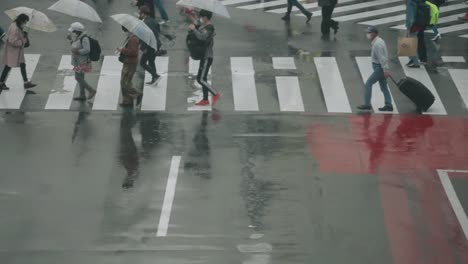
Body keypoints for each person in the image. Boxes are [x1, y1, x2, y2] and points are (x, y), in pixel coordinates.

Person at [188, 10, 221, 106]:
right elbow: (198, 26)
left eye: (202, 17)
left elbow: (202, 37)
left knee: (200, 79)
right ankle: (205, 99)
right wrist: (193, 18)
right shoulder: (206, 26)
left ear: (206, 17)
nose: (201, 19)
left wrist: (194, 29)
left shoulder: (209, 27)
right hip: (204, 56)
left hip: (207, 56)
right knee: (203, 78)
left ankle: (215, 94)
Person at [357, 27, 393, 112]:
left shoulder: (377, 44)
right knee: (384, 87)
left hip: (379, 68)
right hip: (380, 67)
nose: (368, 34)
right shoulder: (379, 41)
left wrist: (385, 70)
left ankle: (367, 104)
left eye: (369, 33)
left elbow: (382, 58)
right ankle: (388, 104)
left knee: (368, 84)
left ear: (374, 33)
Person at [0, 14, 36, 91]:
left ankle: (26, 83)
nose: (25, 23)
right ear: (21, 20)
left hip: (17, 52)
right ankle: (1, 82)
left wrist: (23, 33)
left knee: (22, 65)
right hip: (13, 51)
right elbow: (13, 41)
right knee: (8, 66)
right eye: (25, 22)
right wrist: (23, 40)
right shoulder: (15, 28)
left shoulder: (16, 25)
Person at [67, 22, 96, 101]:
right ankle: (82, 95)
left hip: (82, 62)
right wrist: (71, 40)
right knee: (81, 77)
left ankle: (91, 90)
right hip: (78, 61)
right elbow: (75, 45)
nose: (72, 33)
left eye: (73, 31)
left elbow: (87, 50)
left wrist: (77, 51)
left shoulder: (84, 38)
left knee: (78, 77)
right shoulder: (79, 37)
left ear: (77, 31)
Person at [117, 26, 142, 106]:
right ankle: (127, 101)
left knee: (125, 83)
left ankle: (138, 94)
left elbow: (134, 52)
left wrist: (122, 50)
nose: (124, 32)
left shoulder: (133, 39)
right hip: (127, 62)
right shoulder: (130, 38)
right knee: (126, 81)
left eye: (125, 31)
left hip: (130, 63)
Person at [139, 5, 161, 85]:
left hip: (149, 46)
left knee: (142, 62)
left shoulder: (145, 23)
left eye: (140, 13)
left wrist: (144, 48)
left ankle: (155, 76)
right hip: (156, 44)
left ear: (143, 14)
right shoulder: (153, 20)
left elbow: (146, 36)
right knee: (151, 61)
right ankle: (154, 79)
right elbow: (158, 30)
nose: (140, 15)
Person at [405, 0, 427, 68]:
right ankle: (412, 59)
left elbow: (410, 15)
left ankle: (415, 62)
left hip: (413, 25)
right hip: (419, 22)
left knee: (411, 43)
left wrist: (408, 27)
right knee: (411, 41)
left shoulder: (410, 1)